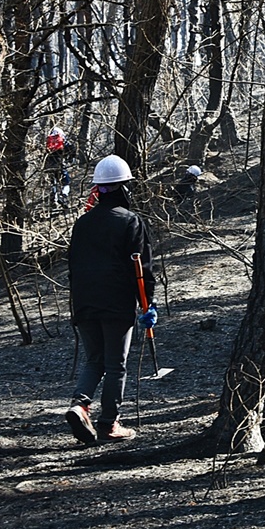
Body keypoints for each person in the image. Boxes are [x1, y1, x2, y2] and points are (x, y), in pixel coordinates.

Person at [65, 154, 157, 444]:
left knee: (95, 359)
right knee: (116, 363)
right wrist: (148, 304)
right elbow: (142, 267)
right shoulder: (130, 221)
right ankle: (108, 424)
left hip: (84, 302)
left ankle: (80, 405)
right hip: (116, 303)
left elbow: (73, 265)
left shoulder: (82, 224)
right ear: (124, 188)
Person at [43, 127, 75, 211]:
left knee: (54, 183)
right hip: (60, 165)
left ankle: (54, 199)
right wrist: (70, 158)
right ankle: (63, 195)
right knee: (66, 182)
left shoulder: (48, 142)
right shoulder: (62, 141)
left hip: (49, 167)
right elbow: (71, 149)